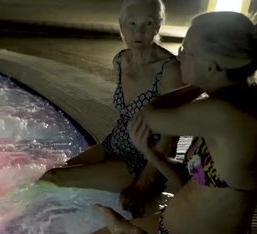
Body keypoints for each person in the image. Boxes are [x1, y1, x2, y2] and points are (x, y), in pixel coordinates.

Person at [75, 11, 257, 234]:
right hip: (168, 232)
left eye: (186, 50)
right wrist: (154, 156)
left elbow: (148, 115)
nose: (178, 56)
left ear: (212, 65)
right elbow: (193, 185)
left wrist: (195, 85)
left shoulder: (227, 114)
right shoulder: (236, 98)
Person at [39, 0, 184, 217]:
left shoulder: (169, 70)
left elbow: (170, 139)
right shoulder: (120, 61)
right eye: (132, 23)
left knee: (53, 180)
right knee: (50, 174)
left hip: (143, 160)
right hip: (114, 145)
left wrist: (143, 186)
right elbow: (125, 118)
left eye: (148, 23)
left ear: (158, 26)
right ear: (121, 25)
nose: (139, 31)